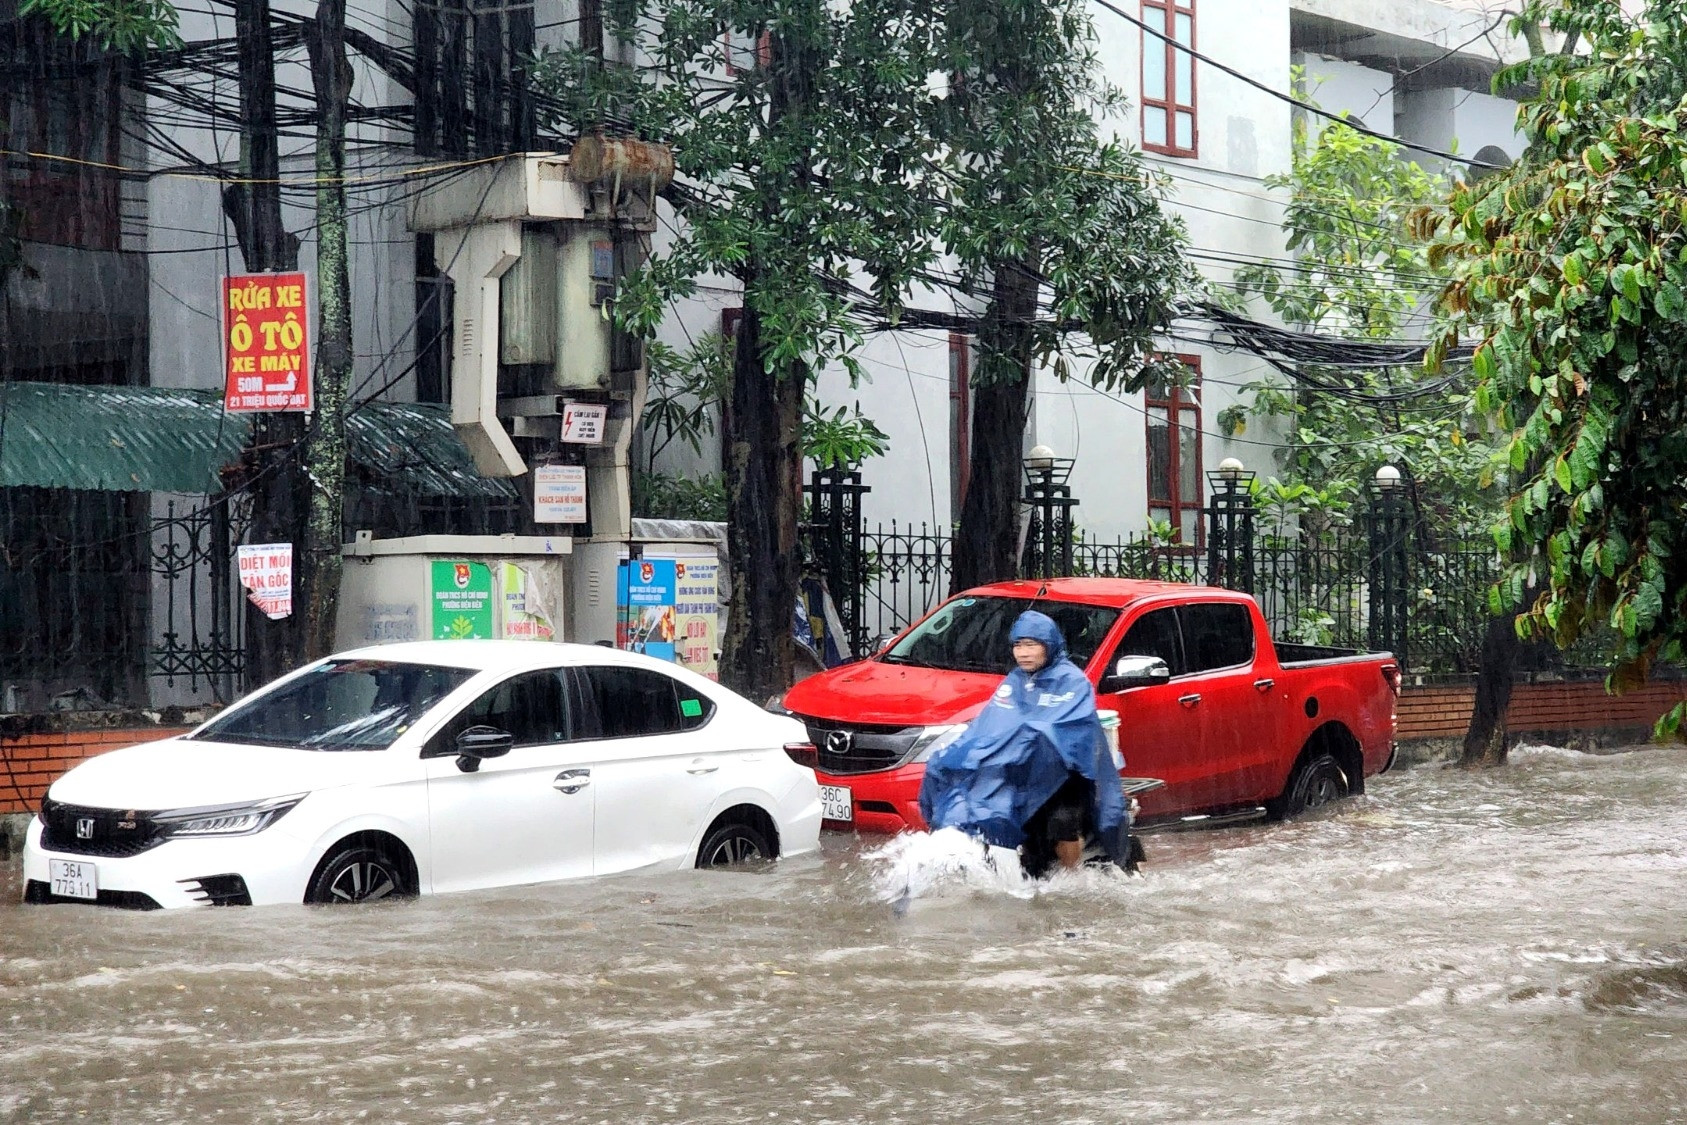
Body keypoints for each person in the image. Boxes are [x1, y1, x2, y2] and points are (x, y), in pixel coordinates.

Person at [917, 609, 1131, 876]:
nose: (1023, 653)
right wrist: (964, 750)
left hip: (1067, 773)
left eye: (1031, 645)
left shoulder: (1073, 681)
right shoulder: (1014, 681)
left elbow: (1068, 729)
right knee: (976, 800)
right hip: (1022, 769)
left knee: (1062, 821)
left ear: (1049, 645)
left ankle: (1072, 877)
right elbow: (991, 724)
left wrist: (1026, 740)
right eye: (1018, 645)